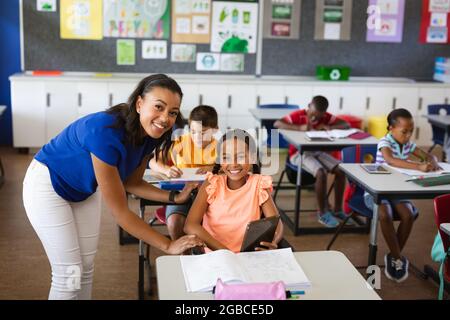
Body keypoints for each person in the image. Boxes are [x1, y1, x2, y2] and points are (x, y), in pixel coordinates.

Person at [22, 74, 204, 299]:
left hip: (83, 190)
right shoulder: (104, 132)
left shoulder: (151, 134)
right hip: (47, 185)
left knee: (86, 267)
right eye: (159, 107)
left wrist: (175, 197)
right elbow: (121, 214)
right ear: (139, 104)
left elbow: (132, 183)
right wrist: (168, 245)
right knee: (68, 274)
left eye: (173, 112)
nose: (165, 118)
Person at [364, 108, 440, 283]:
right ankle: (398, 258)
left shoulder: (408, 144)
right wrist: (418, 167)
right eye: (404, 131)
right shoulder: (385, 142)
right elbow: (390, 160)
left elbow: (426, 155)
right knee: (385, 214)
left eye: (411, 131)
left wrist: (433, 161)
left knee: (408, 214)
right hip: (377, 189)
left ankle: (393, 255)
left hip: (396, 191)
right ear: (391, 128)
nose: (408, 135)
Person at [184, 129, 284, 253]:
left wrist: (273, 241)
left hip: (249, 256)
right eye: (226, 157)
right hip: (217, 256)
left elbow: (276, 223)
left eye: (241, 156)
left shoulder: (259, 184)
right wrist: (225, 252)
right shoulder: (211, 184)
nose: (234, 164)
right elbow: (190, 225)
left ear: (252, 157)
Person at [274, 95, 355, 228]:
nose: (314, 118)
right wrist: (299, 128)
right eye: (313, 114)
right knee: (321, 172)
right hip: (298, 154)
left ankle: (338, 210)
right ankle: (322, 213)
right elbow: (277, 123)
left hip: (317, 152)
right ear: (309, 106)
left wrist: (328, 126)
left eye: (318, 116)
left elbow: (346, 124)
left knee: (341, 171)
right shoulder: (299, 115)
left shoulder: (325, 117)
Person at [149, 105, 218, 240]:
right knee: (175, 222)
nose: (197, 137)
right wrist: (167, 169)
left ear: (215, 130)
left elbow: (234, 170)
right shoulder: (180, 143)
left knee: (216, 224)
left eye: (203, 132)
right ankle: (184, 256)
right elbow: (153, 162)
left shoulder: (222, 147)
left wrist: (214, 168)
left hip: (211, 199)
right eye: (193, 131)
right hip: (181, 194)